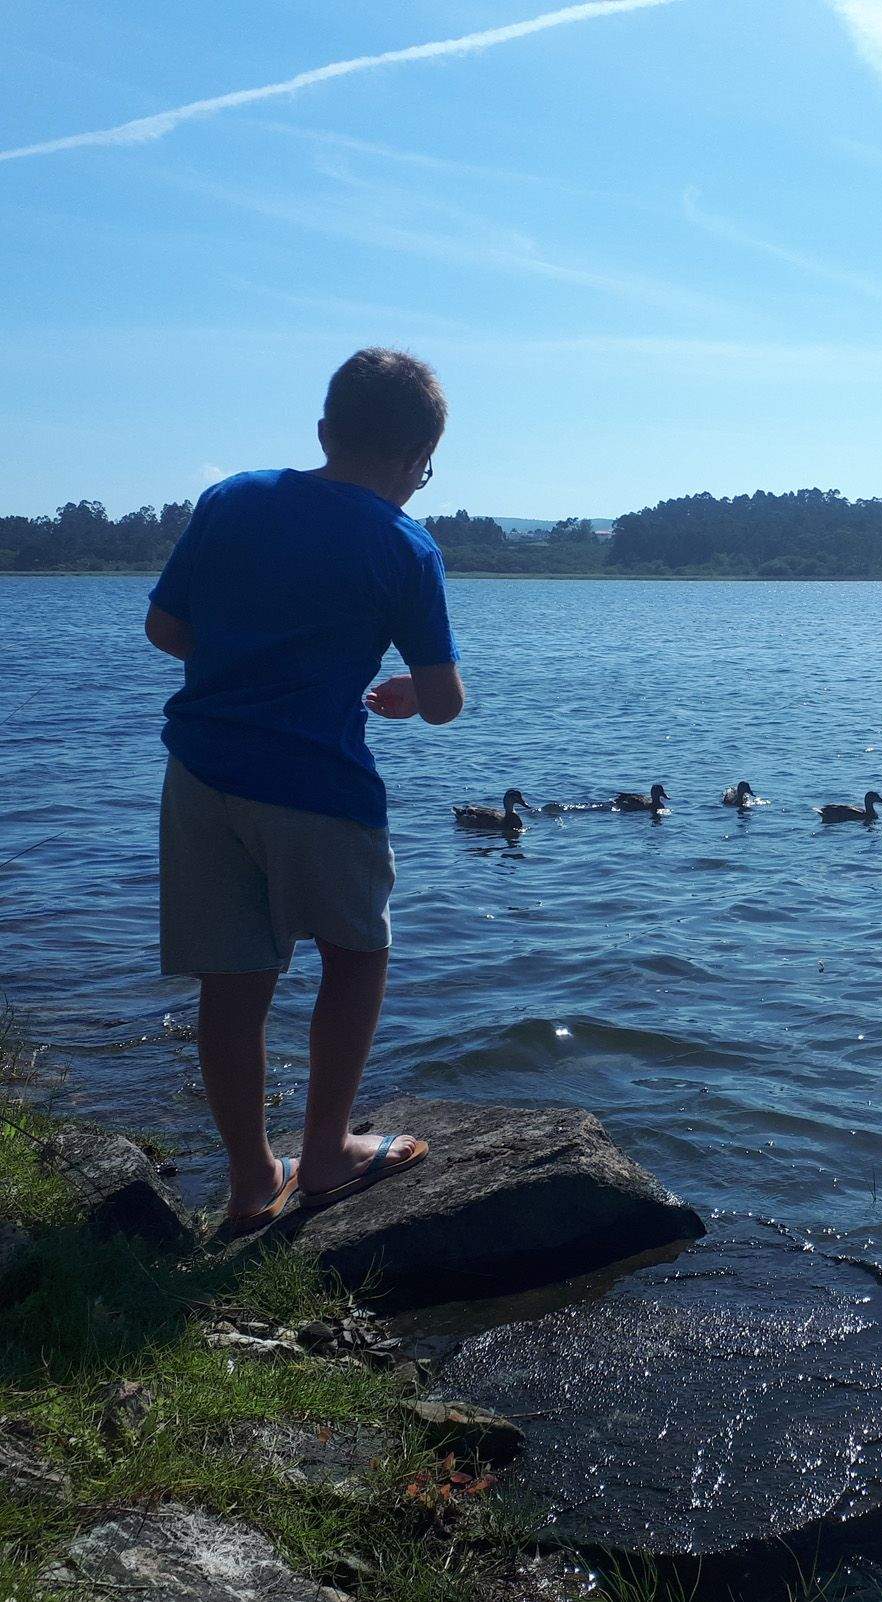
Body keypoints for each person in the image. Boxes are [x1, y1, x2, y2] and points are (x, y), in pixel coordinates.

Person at [144, 347, 465, 1232]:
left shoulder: (234, 498)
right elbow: (441, 704)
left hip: (202, 773)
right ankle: (326, 1152)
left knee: (234, 978)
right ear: (417, 461)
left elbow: (165, 628)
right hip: (319, 787)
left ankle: (253, 1181)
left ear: (324, 431)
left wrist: (250, 665)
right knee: (357, 956)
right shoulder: (406, 546)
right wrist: (394, 695)